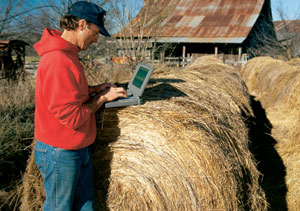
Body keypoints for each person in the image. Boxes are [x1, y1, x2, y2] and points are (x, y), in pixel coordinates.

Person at [33, 1, 127, 210]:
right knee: (60, 207)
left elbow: (69, 93)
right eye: (95, 33)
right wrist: (102, 98)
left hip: (76, 148)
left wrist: (95, 89)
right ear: (82, 24)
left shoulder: (68, 54)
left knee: (86, 206)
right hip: (61, 151)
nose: (95, 40)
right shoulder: (58, 60)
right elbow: (72, 117)